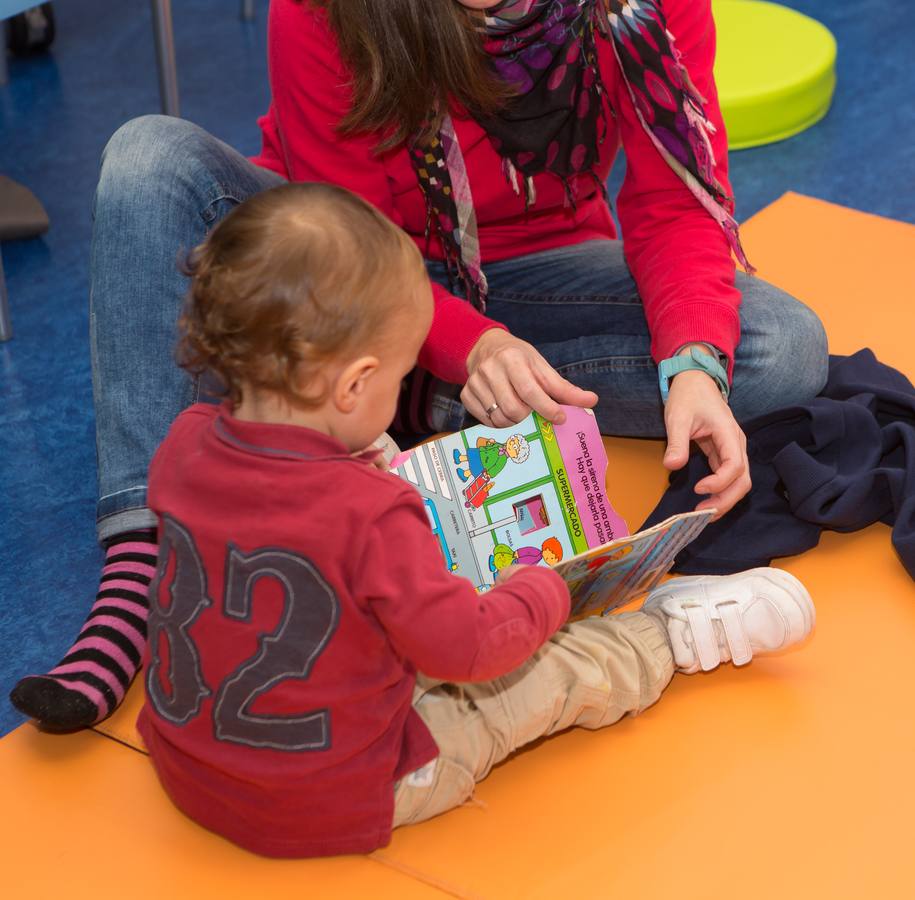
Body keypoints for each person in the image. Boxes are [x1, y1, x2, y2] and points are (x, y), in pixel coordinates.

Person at [10, 0, 828, 729]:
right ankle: (138, 571)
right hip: (347, 271)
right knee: (149, 158)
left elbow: (674, 204)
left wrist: (693, 366)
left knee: (776, 347)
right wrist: (466, 343)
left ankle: (392, 402)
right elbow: (353, 230)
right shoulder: (324, 12)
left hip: (537, 273)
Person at [134, 182, 814, 856]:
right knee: (547, 672)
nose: (403, 387)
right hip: (342, 797)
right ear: (352, 386)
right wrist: (544, 586)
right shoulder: (369, 516)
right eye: (402, 378)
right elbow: (470, 650)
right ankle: (667, 637)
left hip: (194, 772)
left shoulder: (182, 444)